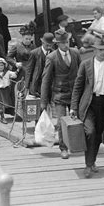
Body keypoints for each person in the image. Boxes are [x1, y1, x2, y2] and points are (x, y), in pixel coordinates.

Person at [70, 41, 104, 178]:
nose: (103, 52)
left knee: (98, 135)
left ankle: (92, 161)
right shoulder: (85, 65)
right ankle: (88, 164)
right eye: (100, 50)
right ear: (95, 50)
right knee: (90, 131)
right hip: (88, 104)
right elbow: (77, 87)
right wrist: (74, 107)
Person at [40, 29, 81, 159]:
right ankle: (63, 148)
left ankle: (76, 144)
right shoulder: (51, 58)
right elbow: (46, 80)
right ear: (57, 44)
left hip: (74, 94)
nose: (66, 45)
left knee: (77, 120)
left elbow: (81, 74)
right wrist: (43, 101)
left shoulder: (75, 53)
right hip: (59, 95)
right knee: (61, 121)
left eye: (67, 42)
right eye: (63, 43)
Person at [25, 32, 54, 97]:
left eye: (51, 45)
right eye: (47, 45)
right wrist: (27, 86)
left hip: (50, 84)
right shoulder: (34, 53)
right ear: (43, 43)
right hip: (37, 84)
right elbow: (29, 70)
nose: (49, 47)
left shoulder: (54, 53)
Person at [0, 57, 19, 124]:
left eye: (2, 65)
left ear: (4, 65)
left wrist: (18, 70)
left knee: (4, 103)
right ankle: (2, 117)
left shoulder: (7, 72)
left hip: (6, 90)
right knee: (1, 104)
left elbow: (14, 75)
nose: (0, 67)